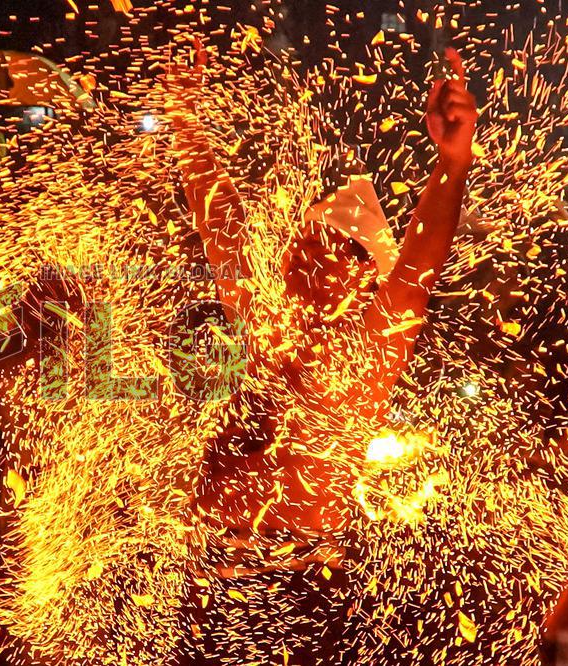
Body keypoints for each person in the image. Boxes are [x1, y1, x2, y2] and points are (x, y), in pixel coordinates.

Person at [167, 44, 478, 663]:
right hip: (203, 584)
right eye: (297, 247)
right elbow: (221, 220)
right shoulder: (267, 325)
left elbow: (421, 259)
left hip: (295, 597)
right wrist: (184, 124)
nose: (295, 257)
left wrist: (452, 163)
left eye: (319, 250)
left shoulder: (363, 360)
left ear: (357, 279)